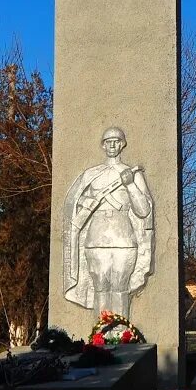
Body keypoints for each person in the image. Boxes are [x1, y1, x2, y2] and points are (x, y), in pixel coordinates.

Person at [61, 127, 155, 317]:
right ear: (103, 145)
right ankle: (100, 335)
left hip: (124, 238)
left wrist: (129, 185)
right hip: (96, 238)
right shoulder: (91, 174)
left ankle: (123, 334)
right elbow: (74, 207)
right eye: (108, 141)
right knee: (101, 286)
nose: (112, 145)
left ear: (122, 144)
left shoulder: (133, 174)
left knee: (121, 286)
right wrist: (89, 202)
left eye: (116, 141)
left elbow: (144, 210)